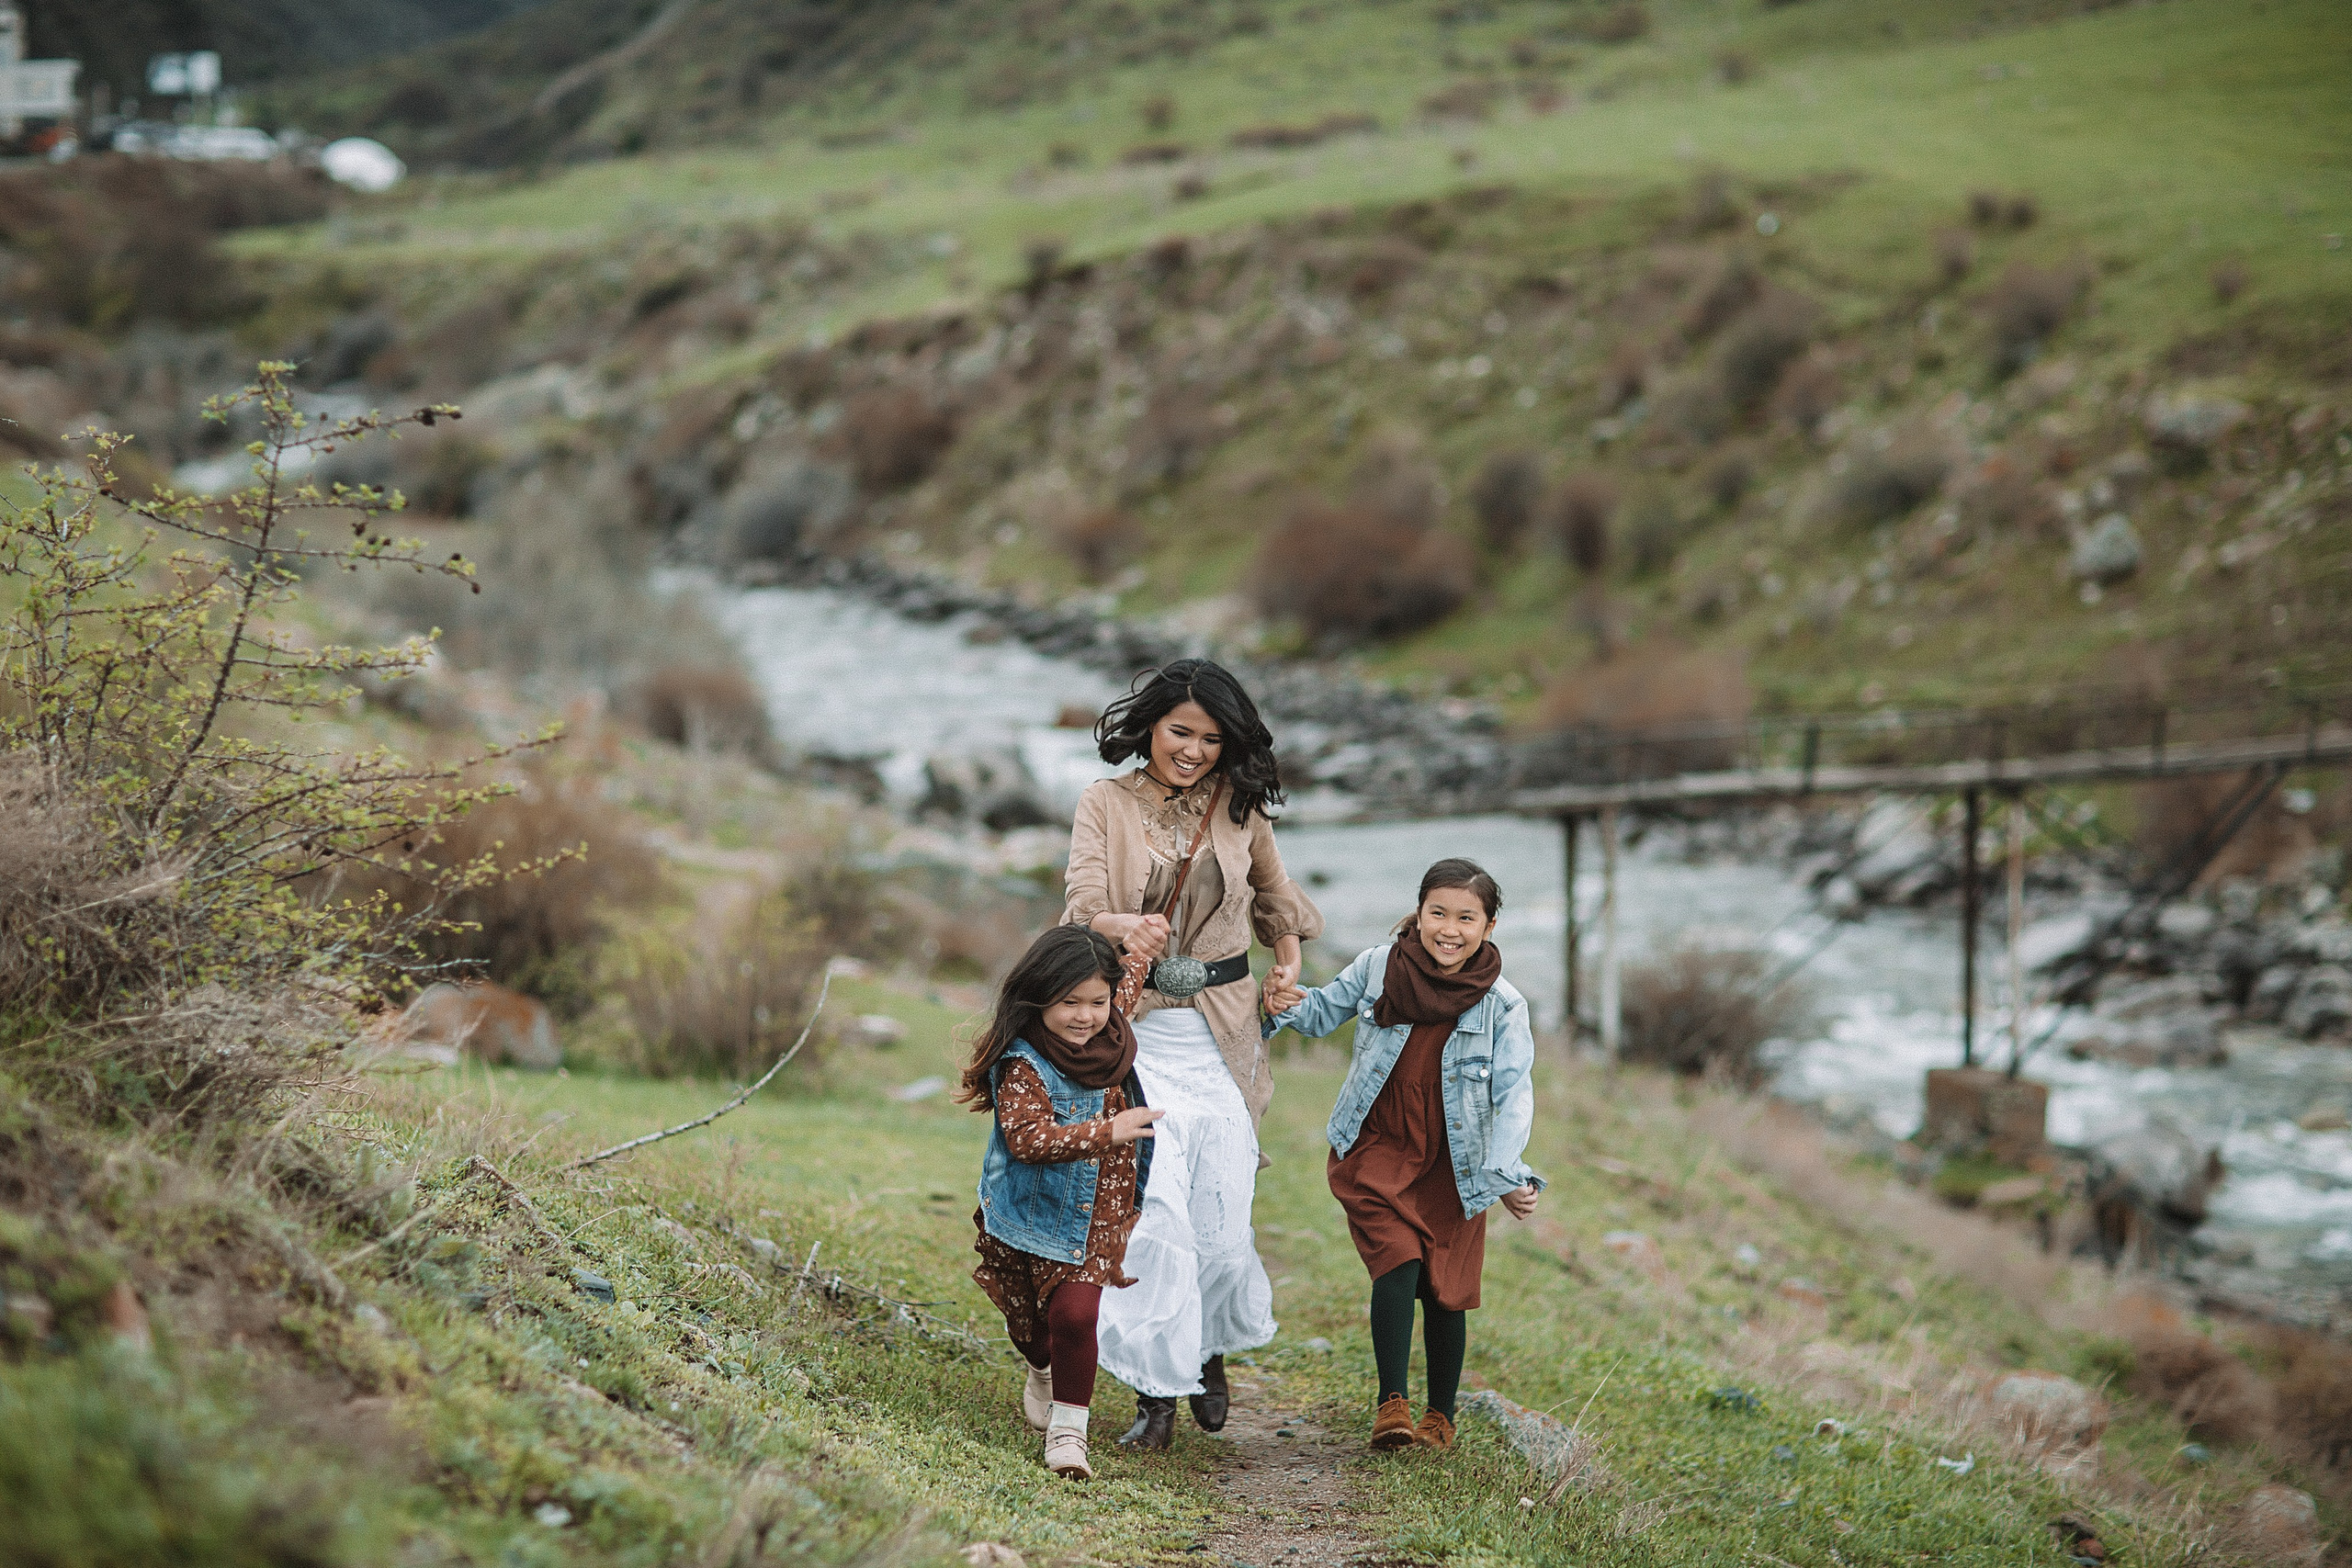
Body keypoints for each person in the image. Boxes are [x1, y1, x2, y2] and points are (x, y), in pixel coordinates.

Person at [1064, 658, 1324, 1450]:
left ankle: (1206, 1348)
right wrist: (1119, 927)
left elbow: (1278, 898)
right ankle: (1157, 1391)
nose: (1195, 750)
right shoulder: (1104, 803)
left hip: (1221, 1034)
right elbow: (1080, 905)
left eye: (1213, 738)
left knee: (1221, 1219)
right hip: (1135, 1031)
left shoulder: (1241, 806)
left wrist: (1288, 959)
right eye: (1182, 731)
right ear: (1150, 726)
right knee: (1156, 1211)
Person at [1261, 857, 1543, 1452]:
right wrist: (1283, 999)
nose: (1449, 928)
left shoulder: (1504, 1005)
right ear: (1418, 912)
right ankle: (1392, 1402)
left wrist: (1508, 1172)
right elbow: (1319, 1013)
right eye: (1438, 912)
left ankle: (1441, 1415)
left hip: (1455, 1160)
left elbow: (1514, 1096)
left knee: (1447, 1284)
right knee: (1398, 1257)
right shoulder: (1377, 966)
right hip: (1379, 1143)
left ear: (1489, 926)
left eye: (1466, 917)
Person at [960, 925, 1165, 1481]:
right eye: (1069, 1002)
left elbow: (1132, 969)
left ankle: (1069, 1434)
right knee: (1031, 1329)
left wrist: (1140, 938)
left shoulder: (1111, 1025)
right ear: (1040, 998)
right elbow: (1028, 1140)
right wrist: (1108, 1130)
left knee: (1076, 1314)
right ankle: (1041, 1368)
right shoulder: (1023, 1061)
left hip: (1099, 1206)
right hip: (1028, 1215)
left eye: (1097, 1002)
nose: (1086, 1016)